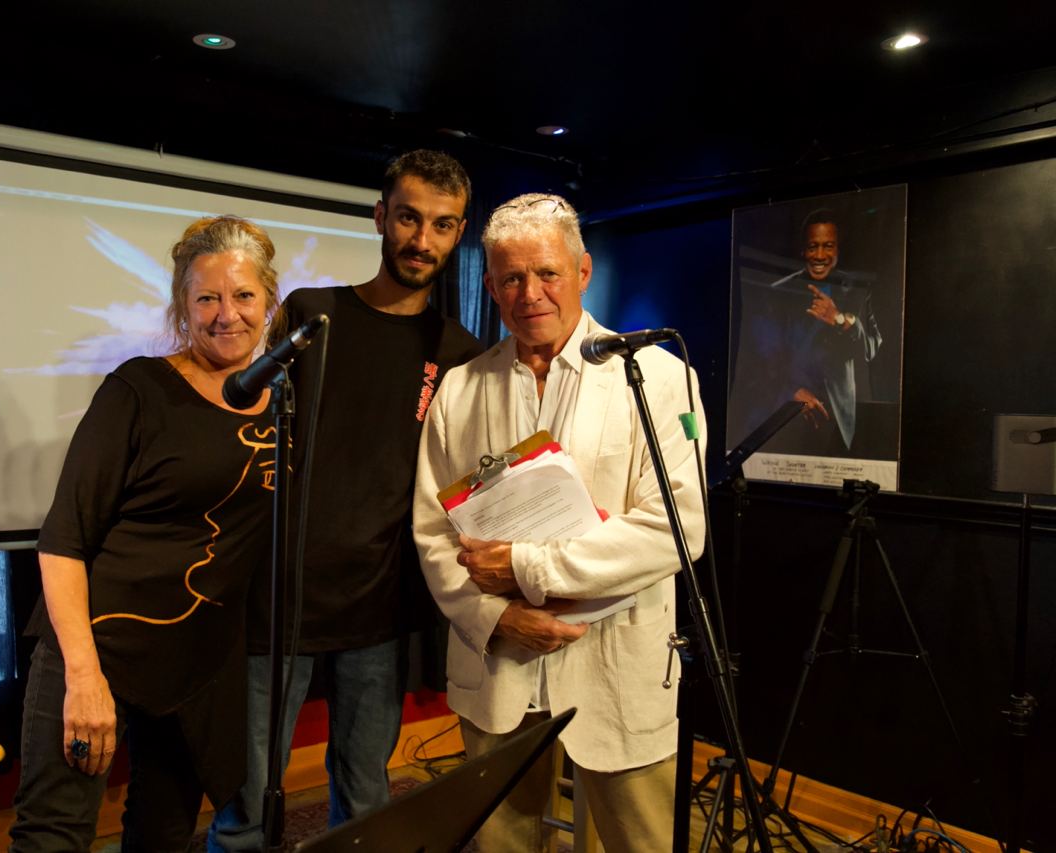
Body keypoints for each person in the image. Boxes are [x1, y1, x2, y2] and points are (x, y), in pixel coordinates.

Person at [412, 193, 707, 852]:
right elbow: (434, 531)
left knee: (639, 841)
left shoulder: (658, 377)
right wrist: (493, 616)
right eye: (511, 278)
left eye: (546, 273)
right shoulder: (459, 390)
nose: (530, 293)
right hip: (499, 666)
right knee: (501, 842)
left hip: (618, 664)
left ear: (582, 270)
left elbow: (678, 526)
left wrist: (528, 568)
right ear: (489, 286)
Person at [207, 150, 483, 851]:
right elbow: (246, 438)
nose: (423, 239)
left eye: (443, 225)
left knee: (364, 804)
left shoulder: (456, 348)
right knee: (246, 809)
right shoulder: (312, 314)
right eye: (410, 218)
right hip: (279, 600)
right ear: (380, 216)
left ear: (459, 234)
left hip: (381, 606)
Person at [9, 216, 281, 852]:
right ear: (182, 305)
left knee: (163, 837)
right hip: (99, 646)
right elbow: (63, 540)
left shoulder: (285, 403)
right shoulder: (137, 389)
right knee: (54, 836)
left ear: (269, 300)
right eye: (206, 297)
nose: (226, 315)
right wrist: (82, 675)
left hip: (198, 663)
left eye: (242, 296)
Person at [732, 208, 882, 456]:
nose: (820, 255)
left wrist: (840, 319)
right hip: (784, 412)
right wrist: (790, 393)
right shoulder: (777, 292)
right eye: (813, 247)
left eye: (828, 246)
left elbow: (872, 347)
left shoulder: (856, 292)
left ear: (837, 250)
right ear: (803, 250)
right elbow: (759, 355)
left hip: (838, 421)